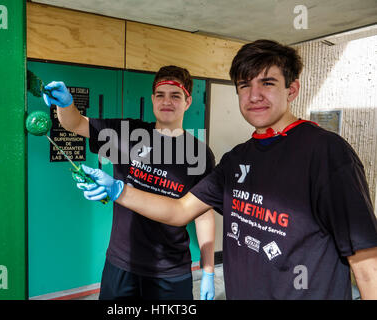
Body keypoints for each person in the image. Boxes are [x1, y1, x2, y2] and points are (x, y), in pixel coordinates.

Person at [76, 40, 377, 299]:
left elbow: (366, 262)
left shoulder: (326, 152)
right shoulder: (235, 160)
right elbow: (181, 211)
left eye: (267, 83)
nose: (254, 95)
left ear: (292, 89)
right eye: (245, 85)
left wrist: (207, 270)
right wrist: (120, 191)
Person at [43, 65, 217, 300]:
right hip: (121, 263)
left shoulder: (198, 153)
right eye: (161, 95)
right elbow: (74, 124)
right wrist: (65, 105)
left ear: (187, 102)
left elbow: (203, 213)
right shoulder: (126, 133)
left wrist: (207, 270)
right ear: (153, 99)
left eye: (175, 96)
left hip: (171, 270)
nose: (167, 101)